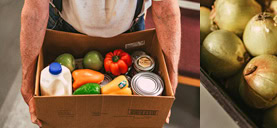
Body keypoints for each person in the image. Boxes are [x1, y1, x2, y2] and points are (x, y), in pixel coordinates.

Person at [20, 0, 181, 126]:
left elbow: (166, 10)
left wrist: (171, 79)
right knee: (65, 118)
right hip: (64, 26)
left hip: (129, 31)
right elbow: (35, 11)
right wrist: (27, 82)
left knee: (123, 119)